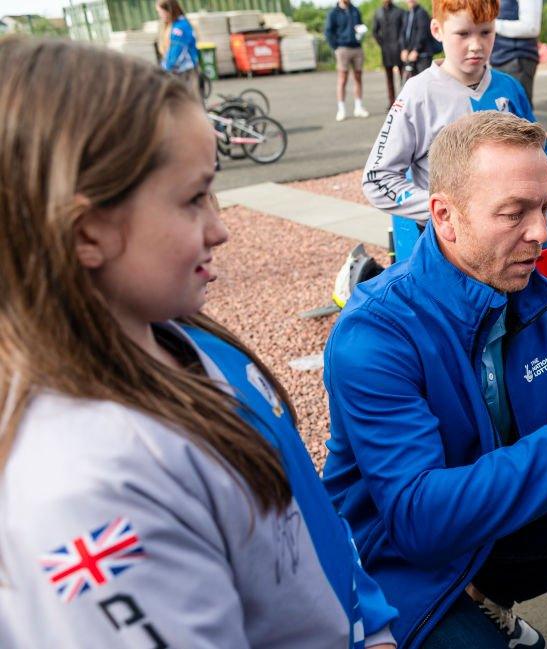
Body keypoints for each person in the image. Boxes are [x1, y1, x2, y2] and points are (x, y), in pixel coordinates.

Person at [0, 37, 396, 649]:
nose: (220, 228)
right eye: (191, 199)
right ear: (86, 233)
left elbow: (308, 511)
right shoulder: (88, 489)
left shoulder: (188, 336)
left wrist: (369, 622)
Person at [325, 110, 547, 648]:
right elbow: (418, 520)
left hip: (490, 516)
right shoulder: (373, 336)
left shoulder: (534, 299)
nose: (541, 233)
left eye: (543, 206)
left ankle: (485, 594)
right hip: (395, 557)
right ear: (444, 216)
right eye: (514, 213)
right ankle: (463, 609)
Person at [363, 0, 547, 226]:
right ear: (437, 30)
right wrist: (446, 210)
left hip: (514, 241)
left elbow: (544, 156)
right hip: (449, 247)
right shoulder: (418, 94)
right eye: (463, 34)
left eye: (486, 32)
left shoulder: (510, 88)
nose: (476, 45)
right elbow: (377, 180)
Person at [490, 0, 542, 105]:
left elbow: (531, 27)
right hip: (499, 59)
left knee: (518, 112)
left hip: (516, 59)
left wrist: (491, 24)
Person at [325, 0, 369, 121]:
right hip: (342, 48)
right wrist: (336, 47)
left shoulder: (355, 10)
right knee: (342, 79)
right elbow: (328, 32)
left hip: (357, 48)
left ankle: (358, 107)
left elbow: (359, 26)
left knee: (358, 77)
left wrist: (361, 33)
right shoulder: (333, 13)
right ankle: (341, 109)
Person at [155, 0, 199, 93]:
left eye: (160, 12)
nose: (160, 15)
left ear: (169, 11)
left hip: (185, 73)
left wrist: (165, 68)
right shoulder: (177, 24)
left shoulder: (179, 29)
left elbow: (176, 53)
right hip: (182, 71)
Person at [373, 0, 406, 107]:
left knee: (404, 77)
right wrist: (381, 43)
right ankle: (391, 102)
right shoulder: (378, 13)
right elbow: (375, 31)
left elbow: (404, 30)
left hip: (399, 49)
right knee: (389, 78)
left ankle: (404, 101)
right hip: (386, 49)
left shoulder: (400, 12)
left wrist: (402, 45)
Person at [400, 0, 437, 78]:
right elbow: (403, 32)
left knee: (424, 82)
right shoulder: (407, 14)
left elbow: (422, 33)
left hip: (423, 55)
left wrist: (416, 50)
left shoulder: (421, 13)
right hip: (410, 54)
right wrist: (403, 49)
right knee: (412, 83)